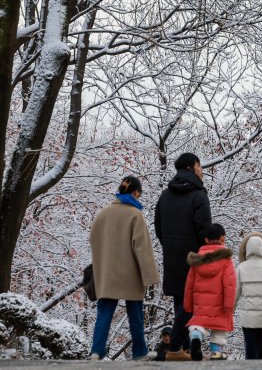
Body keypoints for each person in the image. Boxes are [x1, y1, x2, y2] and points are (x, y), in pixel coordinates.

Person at [89, 176, 160, 361]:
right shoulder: (135, 214)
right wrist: (150, 277)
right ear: (135, 192)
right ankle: (139, 352)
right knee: (135, 313)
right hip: (130, 274)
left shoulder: (103, 213)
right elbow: (142, 248)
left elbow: (93, 240)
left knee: (104, 312)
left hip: (107, 273)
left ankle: (96, 351)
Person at [154, 152, 212, 361]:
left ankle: (186, 349)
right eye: (200, 165)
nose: (201, 170)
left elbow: (158, 227)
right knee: (191, 304)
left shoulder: (165, 195)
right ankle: (176, 346)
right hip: (194, 257)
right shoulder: (198, 195)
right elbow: (204, 230)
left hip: (171, 254)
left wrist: (170, 245)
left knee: (181, 301)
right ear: (191, 167)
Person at [184, 223, 236, 361]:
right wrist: (229, 305)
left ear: (206, 240)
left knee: (199, 322)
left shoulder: (197, 259)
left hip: (200, 302)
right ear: (222, 238)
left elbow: (189, 284)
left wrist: (188, 305)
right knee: (219, 326)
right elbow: (230, 284)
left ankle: (196, 335)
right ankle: (216, 352)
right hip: (219, 302)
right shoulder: (226, 259)